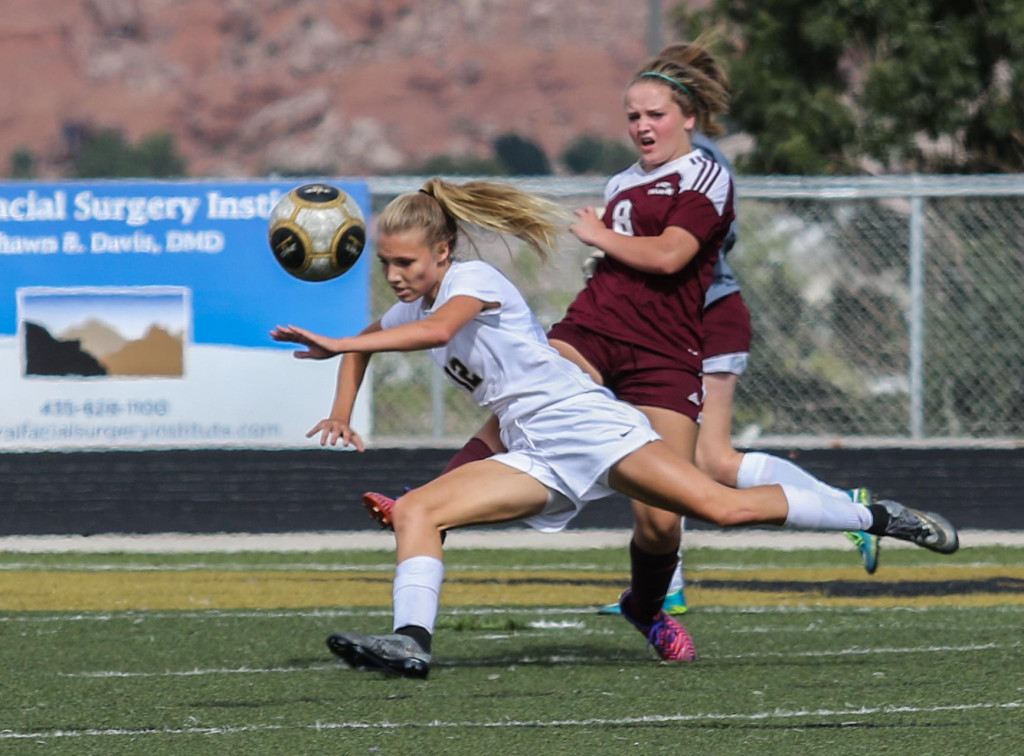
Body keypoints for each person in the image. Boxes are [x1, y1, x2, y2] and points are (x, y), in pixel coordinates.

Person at [271, 177, 959, 679]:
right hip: (536, 448)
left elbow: (438, 331)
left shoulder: (472, 281)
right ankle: (411, 643)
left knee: (721, 506)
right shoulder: (413, 302)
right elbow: (364, 342)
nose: (394, 275)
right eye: (385, 264)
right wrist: (339, 405)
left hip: (589, 426)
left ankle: (879, 517)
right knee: (419, 508)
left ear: (444, 253)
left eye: (406, 263)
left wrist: (338, 343)